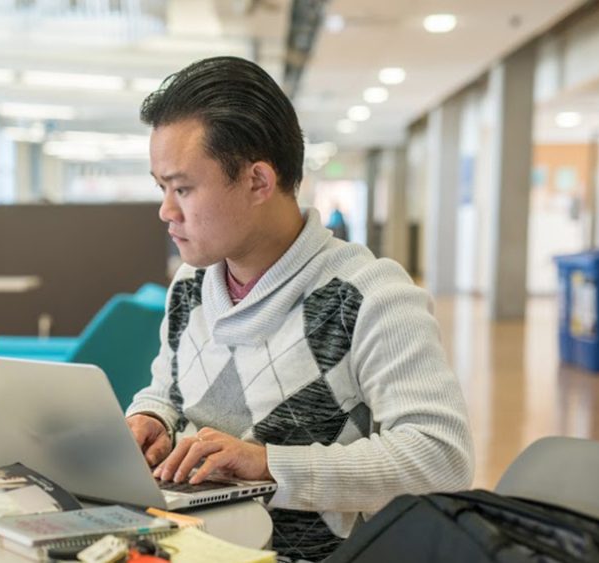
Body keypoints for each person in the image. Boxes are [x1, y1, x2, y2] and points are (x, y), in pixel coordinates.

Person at [124, 56, 473, 562]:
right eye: (162, 188)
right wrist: (151, 417)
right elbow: (168, 389)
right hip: (188, 545)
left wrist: (271, 465)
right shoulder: (190, 287)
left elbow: (442, 460)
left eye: (183, 188)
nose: (166, 212)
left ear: (258, 181)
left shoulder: (371, 296)